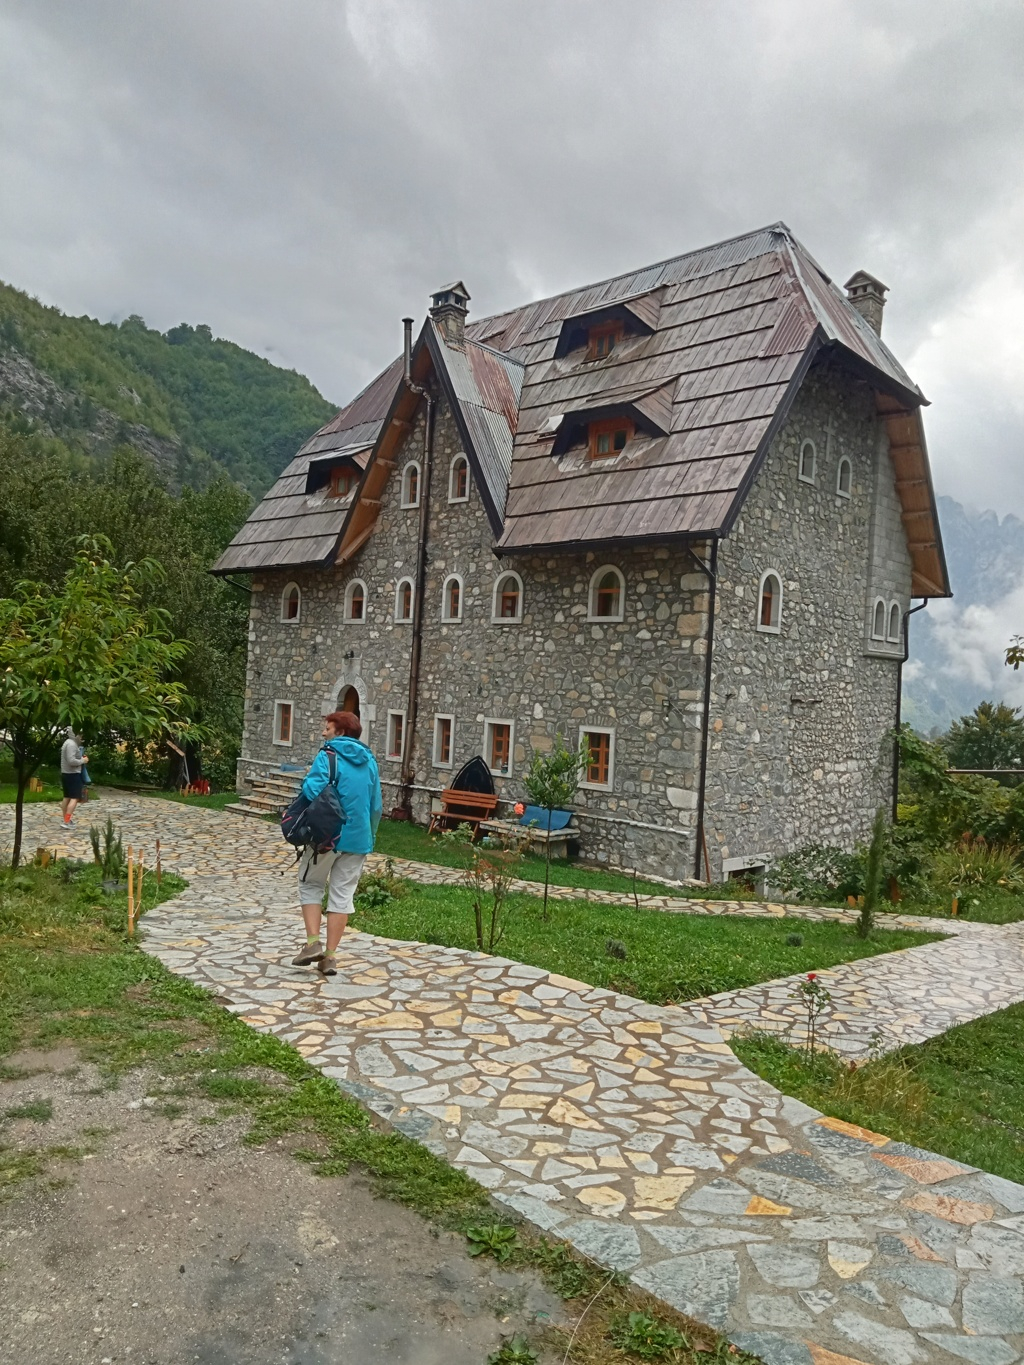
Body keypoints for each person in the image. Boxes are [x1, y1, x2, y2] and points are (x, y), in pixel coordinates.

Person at [291, 710, 382, 977]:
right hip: (358, 839)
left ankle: (312, 945)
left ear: (340, 732)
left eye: (328, 728)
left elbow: (311, 790)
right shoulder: (370, 762)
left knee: (310, 884)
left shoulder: (327, 756)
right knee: (342, 896)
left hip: (327, 836)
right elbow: (376, 805)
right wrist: (369, 836)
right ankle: (329, 957)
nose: (324, 732)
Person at [59, 726, 88, 826]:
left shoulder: (67, 743)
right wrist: (83, 761)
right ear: (74, 734)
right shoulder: (72, 744)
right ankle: (67, 821)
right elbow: (71, 761)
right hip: (73, 775)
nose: (81, 736)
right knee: (74, 798)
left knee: (67, 797)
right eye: (79, 734)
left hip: (65, 774)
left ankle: (66, 820)